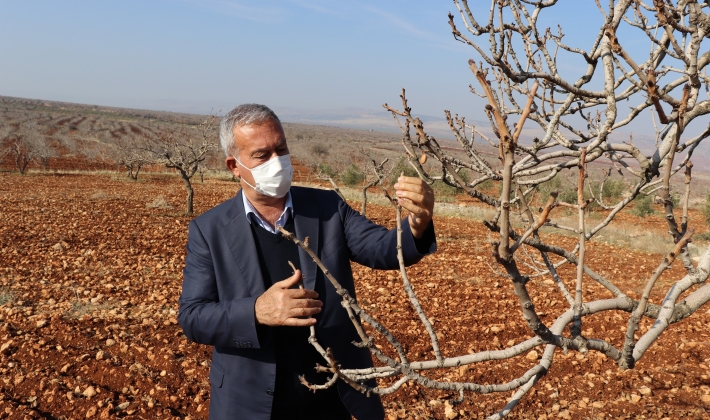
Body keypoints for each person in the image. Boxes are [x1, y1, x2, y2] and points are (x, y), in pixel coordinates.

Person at [178, 104, 436, 420]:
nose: (277, 162)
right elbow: (193, 317)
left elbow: (382, 248)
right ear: (234, 165)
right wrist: (258, 311)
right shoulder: (210, 230)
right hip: (249, 404)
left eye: (281, 149)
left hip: (332, 396)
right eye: (262, 155)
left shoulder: (327, 208)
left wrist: (418, 222)